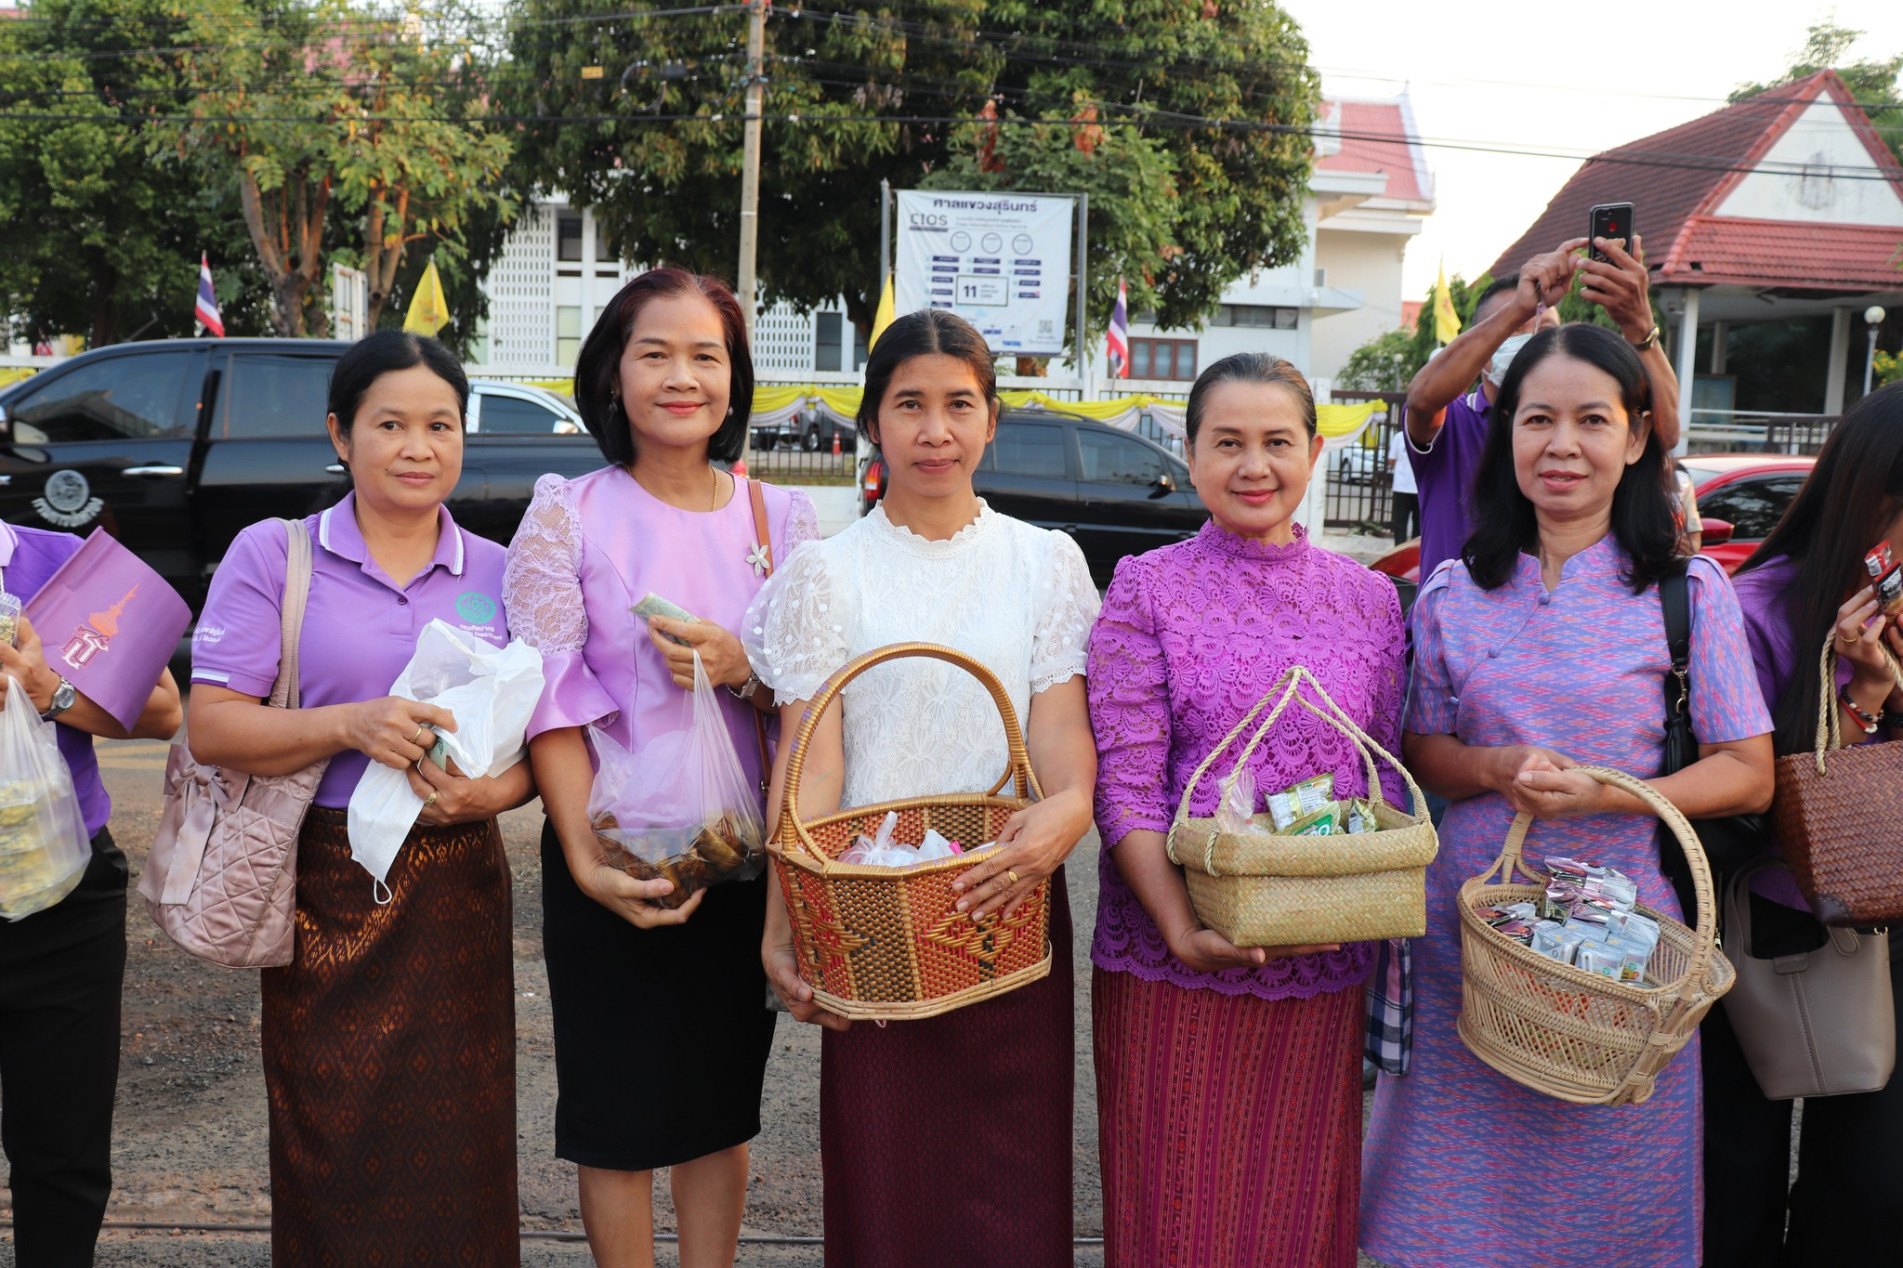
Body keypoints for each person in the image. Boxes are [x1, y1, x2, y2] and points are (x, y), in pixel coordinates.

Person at [1359, 324, 1774, 1267]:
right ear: (1507, 435)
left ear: (1634, 439)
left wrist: (1608, 794)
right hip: (1464, 937)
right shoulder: (1453, 591)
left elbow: (1748, 768)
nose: (1562, 445)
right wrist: (1495, 770)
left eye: (1592, 420)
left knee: (1610, 1205)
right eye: (1536, 418)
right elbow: (1423, 752)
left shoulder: (1686, 593)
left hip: (1623, 957)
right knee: (1446, 1214)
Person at [745, 308, 1099, 1267]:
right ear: (872, 422)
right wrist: (786, 921)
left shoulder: (1044, 562)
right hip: (869, 914)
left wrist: (1071, 808)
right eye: (909, 405)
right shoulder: (827, 571)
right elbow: (811, 759)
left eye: (958, 405)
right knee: (885, 1173)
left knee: (1011, 1179)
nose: (934, 430)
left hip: (1008, 899)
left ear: (991, 421)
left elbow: (1059, 728)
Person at [188, 331, 532, 1267]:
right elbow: (214, 724)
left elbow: (550, 739)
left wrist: (492, 793)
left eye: (440, 425)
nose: (417, 447)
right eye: (390, 424)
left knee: (461, 1141)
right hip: (324, 879)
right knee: (328, 1132)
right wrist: (349, 724)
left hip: (456, 884)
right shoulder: (278, 554)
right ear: (341, 434)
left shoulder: (503, 573)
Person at [504, 267, 816, 1268]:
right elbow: (548, 697)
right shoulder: (569, 511)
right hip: (615, 853)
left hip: (742, 856)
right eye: (654, 353)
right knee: (617, 1110)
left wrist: (742, 667)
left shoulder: (785, 523)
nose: (680, 376)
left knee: (720, 1106)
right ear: (612, 374)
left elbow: (814, 699)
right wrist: (585, 858)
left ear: (734, 382)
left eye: (704, 355)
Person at [1087, 353, 1404, 1266]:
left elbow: (1378, 784)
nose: (1252, 465)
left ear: (1312, 453)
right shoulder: (1147, 587)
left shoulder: (1370, 598)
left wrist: (1346, 900)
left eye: (1276, 442)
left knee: (1294, 1213)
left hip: (1320, 946)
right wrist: (1180, 924)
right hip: (1168, 954)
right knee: (1175, 1210)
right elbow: (1129, 780)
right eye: (1227, 443)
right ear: (1189, 457)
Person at [1705, 382, 1903, 1266]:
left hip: (1887, 927)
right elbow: (1751, 796)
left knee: (1869, 1185)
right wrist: (1858, 693)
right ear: (1874, 501)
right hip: (1776, 926)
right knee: (1735, 1177)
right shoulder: (1759, 609)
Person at [0, 529, 181, 1267]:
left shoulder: (61, 563)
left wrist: (46, 691)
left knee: (62, 1155)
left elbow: (164, 708)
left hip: (63, 893)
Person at [1405, 234, 1681, 584]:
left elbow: (1666, 432)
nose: (1561, 447)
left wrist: (1639, 324)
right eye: (1512, 329)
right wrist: (1521, 305)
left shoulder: (1585, 428)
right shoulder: (1455, 420)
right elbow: (1421, 399)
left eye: (1544, 328)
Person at [1388, 424, 1419, 542]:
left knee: (1419, 526)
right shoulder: (1399, 437)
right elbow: (1392, 459)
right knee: (1399, 524)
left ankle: (1416, 555)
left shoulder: (1429, 437)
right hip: (1401, 488)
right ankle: (1399, 554)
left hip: (1420, 489)